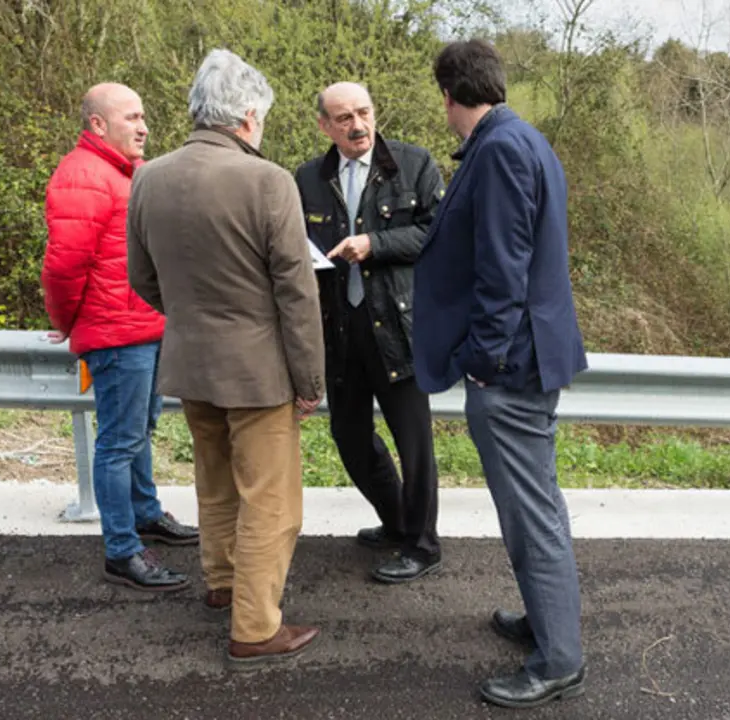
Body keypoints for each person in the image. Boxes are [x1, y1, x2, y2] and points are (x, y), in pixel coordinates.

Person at [126, 49, 325, 668]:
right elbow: (296, 291)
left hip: (190, 362)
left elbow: (142, 278)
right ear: (246, 116)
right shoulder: (268, 181)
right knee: (271, 498)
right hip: (258, 370)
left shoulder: (148, 176)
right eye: (259, 117)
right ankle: (255, 627)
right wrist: (310, 379)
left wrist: (189, 317)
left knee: (214, 479)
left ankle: (222, 583)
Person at [411, 40, 588, 708]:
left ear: (450, 96)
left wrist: (482, 364)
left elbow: (502, 272)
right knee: (531, 506)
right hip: (522, 359)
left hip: (510, 368)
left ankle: (560, 659)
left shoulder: (502, 149)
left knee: (530, 512)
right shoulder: (518, 139)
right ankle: (549, 625)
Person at [41, 82, 198, 594]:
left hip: (145, 328)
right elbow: (64, 268)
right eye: (132, 117)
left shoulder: (120, 174)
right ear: (98, 126)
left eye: (143, 116)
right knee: (118, 442)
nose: (144, 126)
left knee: (139, 431)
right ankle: (122, 551)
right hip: (115, 335)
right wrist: (69, 325)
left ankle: (146, 514)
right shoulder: (82, 176)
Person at [293, 82, 446, 584]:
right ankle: (397, 518)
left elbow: (437, 234)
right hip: (341, 329)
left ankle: (423, 545)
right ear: (324, 125)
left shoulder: (413, 164)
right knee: (350, 437)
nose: (357, 125)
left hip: (397, 326)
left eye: (363, 113)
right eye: (343, 118)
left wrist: (374, 243)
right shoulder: (307, 180)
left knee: (413, 441)